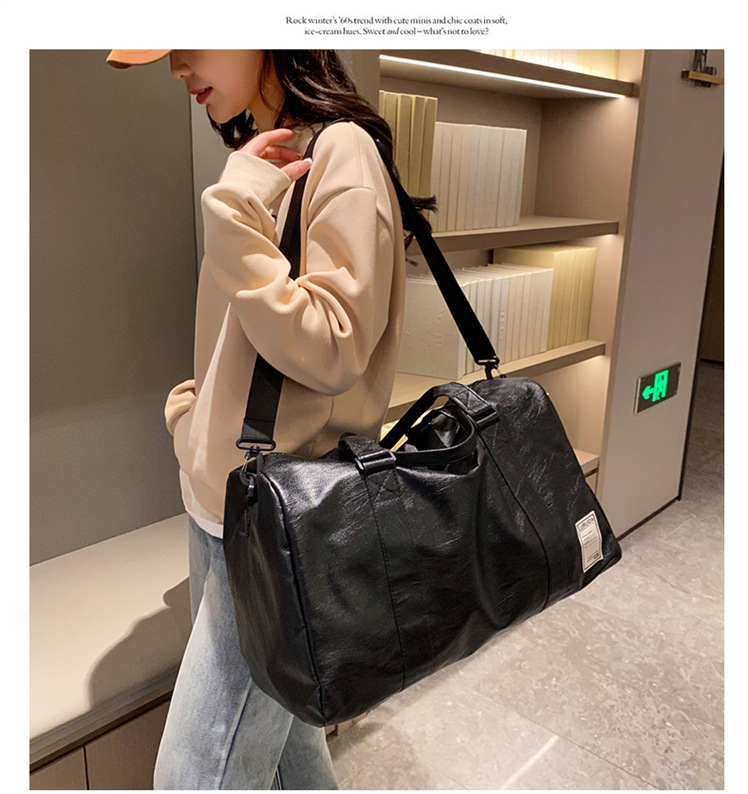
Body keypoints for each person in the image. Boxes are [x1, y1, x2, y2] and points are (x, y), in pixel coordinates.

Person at [105, 49, 434, 790]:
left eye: (187, 36)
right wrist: (195, 420)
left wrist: (231, 217)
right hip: (224, 500)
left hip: (281, 523)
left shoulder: (340, 149)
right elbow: (241, 337)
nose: (177, 66)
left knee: (196, 775)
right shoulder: (271, 152)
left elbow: (334, 345)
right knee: (288, 758)